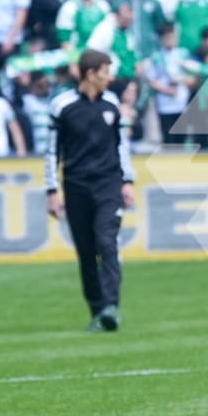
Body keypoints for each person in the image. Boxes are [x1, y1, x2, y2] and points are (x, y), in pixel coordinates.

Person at [45, 50, 137, 332]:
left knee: (107, 243)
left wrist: (127, 180)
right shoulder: (62, 106)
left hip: (108, 184)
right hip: (76, 186)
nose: (110, 77)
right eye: (105, 72)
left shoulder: (112, 104)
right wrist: (51, 190)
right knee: (86, 253)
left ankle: (111, 306)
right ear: (90, 74)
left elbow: (121, 145)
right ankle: (98, 311)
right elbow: (52, 151)